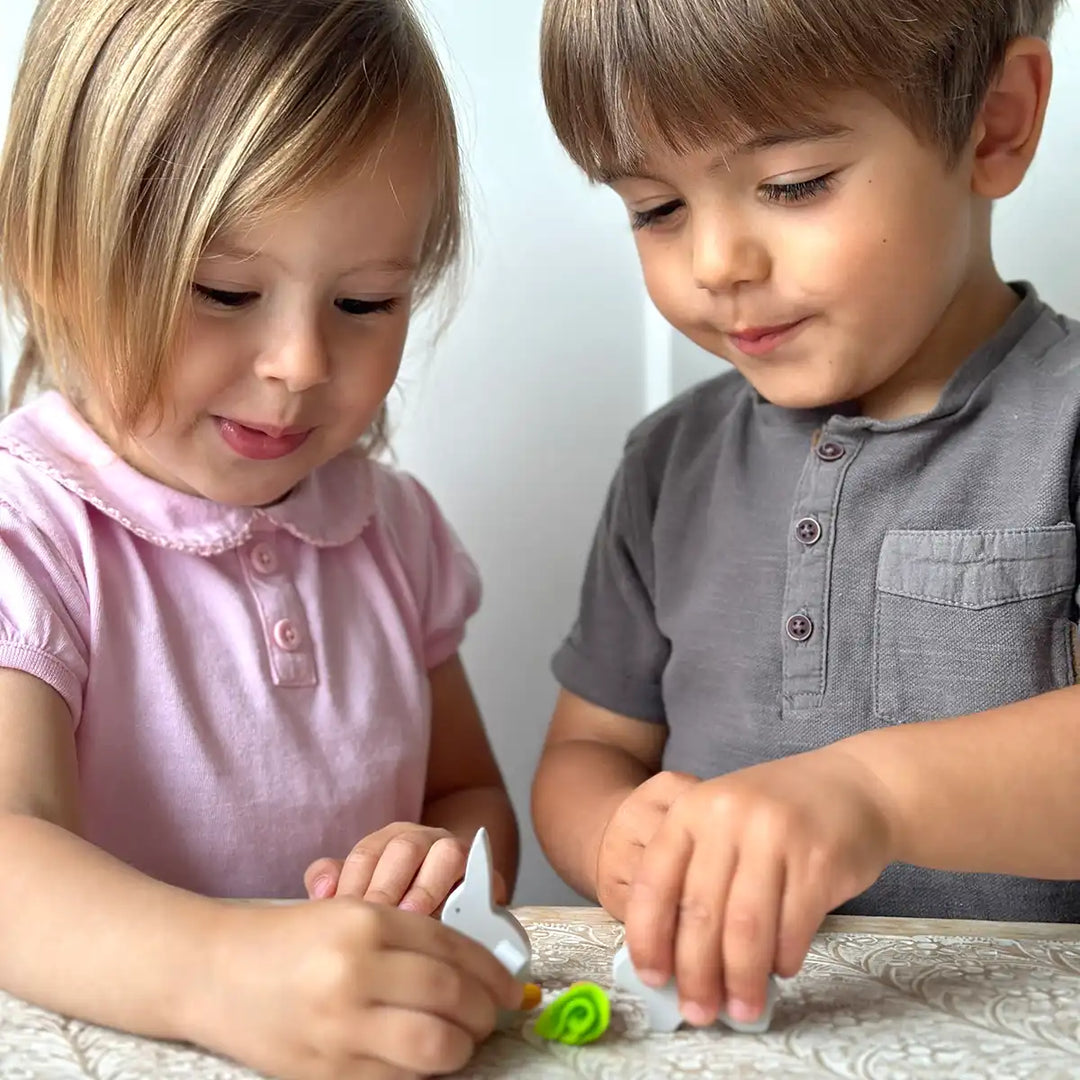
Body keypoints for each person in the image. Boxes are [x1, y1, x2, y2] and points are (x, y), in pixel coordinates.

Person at [533, 0, 1080, 1037]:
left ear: (995, 122)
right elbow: (587, 748)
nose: (716, 263)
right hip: (752, 1034)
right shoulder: (668, 463)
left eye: (793, 185)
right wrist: (613, 835)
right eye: (657, 208)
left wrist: (873, 793)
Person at [0, 1, 522, 1076]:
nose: (299, 363)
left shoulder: (391, 531)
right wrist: (220, 972)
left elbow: (465, 795)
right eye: (225, 291)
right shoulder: (31, 532)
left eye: (366, 302)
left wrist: (440, 867)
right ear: (53, 259)